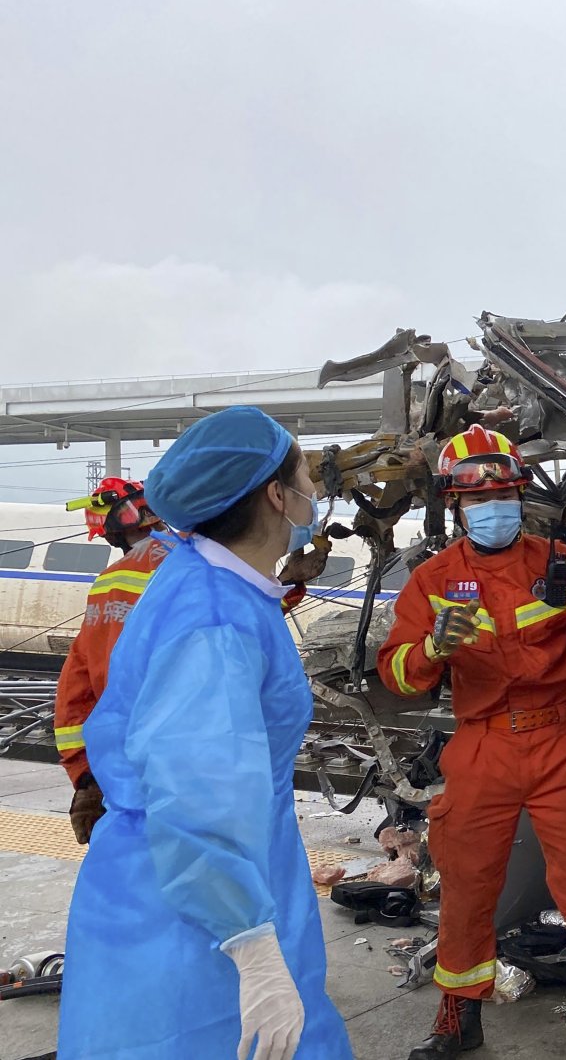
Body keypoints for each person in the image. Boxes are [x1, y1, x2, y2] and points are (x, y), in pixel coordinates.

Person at [59, 406, 352, 1060]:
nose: (314, 485)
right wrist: (252, 947)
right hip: (196, 915)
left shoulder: (205, 577)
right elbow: (196, 799)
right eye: (303, 473)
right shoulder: (215, 623)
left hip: (204, 883)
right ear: (277, 496)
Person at [377, 424, 566, 1060]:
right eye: (478, 500)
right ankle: (458, 1021)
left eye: (502, 495)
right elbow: (396, 674)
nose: (492, 508)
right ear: (456, 505)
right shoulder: (433, 580)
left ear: (521, 496)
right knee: (466, 886)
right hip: (483, 745)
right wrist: (430, 649)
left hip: (564, 738)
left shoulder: (562, 564)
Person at [54, 478, 168, 844]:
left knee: (133, 865)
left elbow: (76, 683)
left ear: (111, 532)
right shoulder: (195, 560)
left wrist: (85, 777)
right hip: (186, 751)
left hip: (122, 757)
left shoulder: (106, 582)